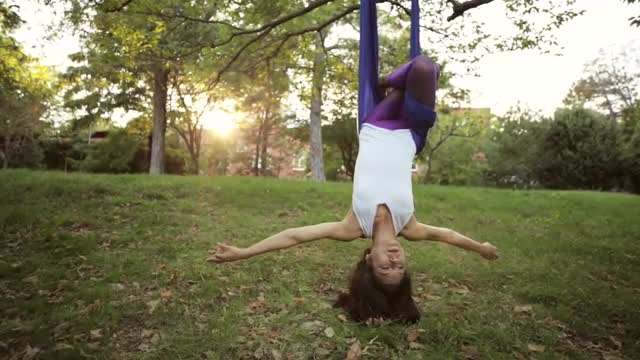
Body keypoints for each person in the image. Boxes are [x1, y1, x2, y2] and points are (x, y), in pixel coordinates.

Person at [207, 56, 498, 323]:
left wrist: (245, 252)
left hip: (378, 125)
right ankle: (395, 82)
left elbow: (294, 236)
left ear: (370, 259)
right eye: (399, 268)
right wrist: (480, 248)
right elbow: (447, 235)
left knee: (422, 72)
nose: (395, 261)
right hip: (412, 131)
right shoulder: (410, 227)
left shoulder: (352, 226)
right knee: (426, 67)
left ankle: (393, 83)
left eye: (385, 268)